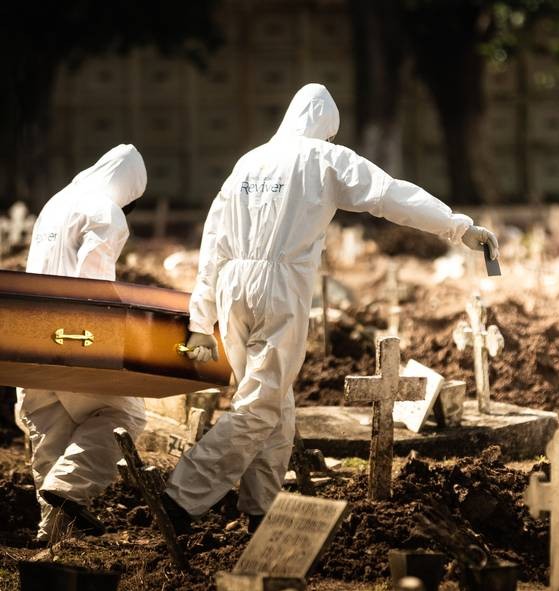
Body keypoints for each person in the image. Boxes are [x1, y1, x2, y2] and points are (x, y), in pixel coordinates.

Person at [163, 83, 498, 531]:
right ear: (326, 128)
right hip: (279, 286)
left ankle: (261, 508)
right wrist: (458, 227)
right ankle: (181, 497)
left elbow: (212, 242)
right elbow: (390, 195)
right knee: (259, 405)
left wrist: (201, 320)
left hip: (232, 286)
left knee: (273, 401)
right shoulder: (322, 158)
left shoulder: (249, 161)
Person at [16, 144, 148, 540]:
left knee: (50, 431)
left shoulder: (57, 203)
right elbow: (94, 279)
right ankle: (68, 490)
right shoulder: (106, 211)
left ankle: (54, 533)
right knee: (124, 416)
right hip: (74, 332)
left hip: (29, 334)